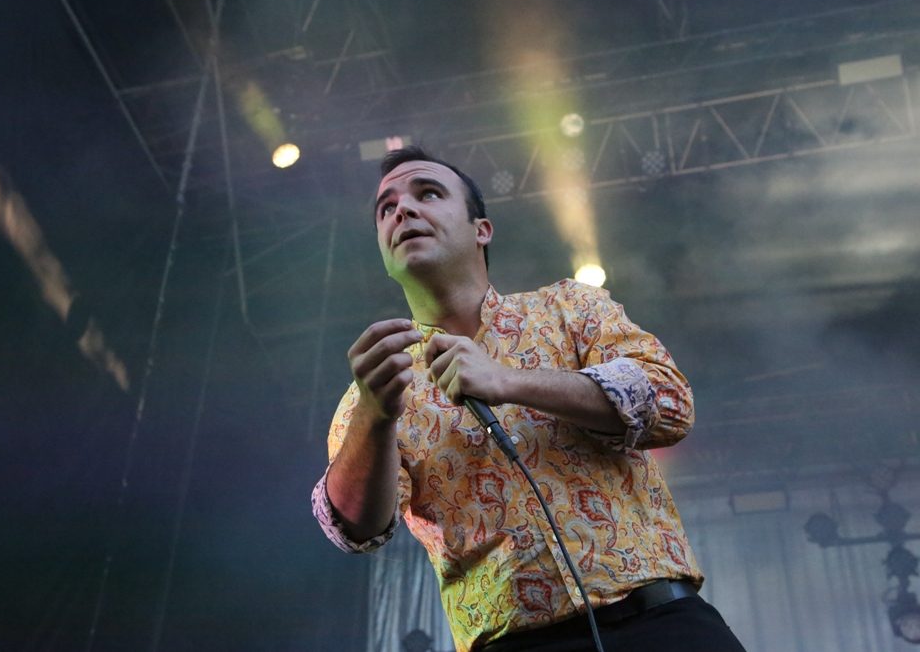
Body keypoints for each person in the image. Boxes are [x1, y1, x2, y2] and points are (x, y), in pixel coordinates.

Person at [311, 146, 746, 652]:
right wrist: (375, 416)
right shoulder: (374, 385)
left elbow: (669, 404)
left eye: (427, 193)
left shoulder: (571, 307)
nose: (403, 210)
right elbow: (354, 531)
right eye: (386, 208)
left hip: (663, 623)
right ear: (385, 253)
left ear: (482, 230)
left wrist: (507, 380)